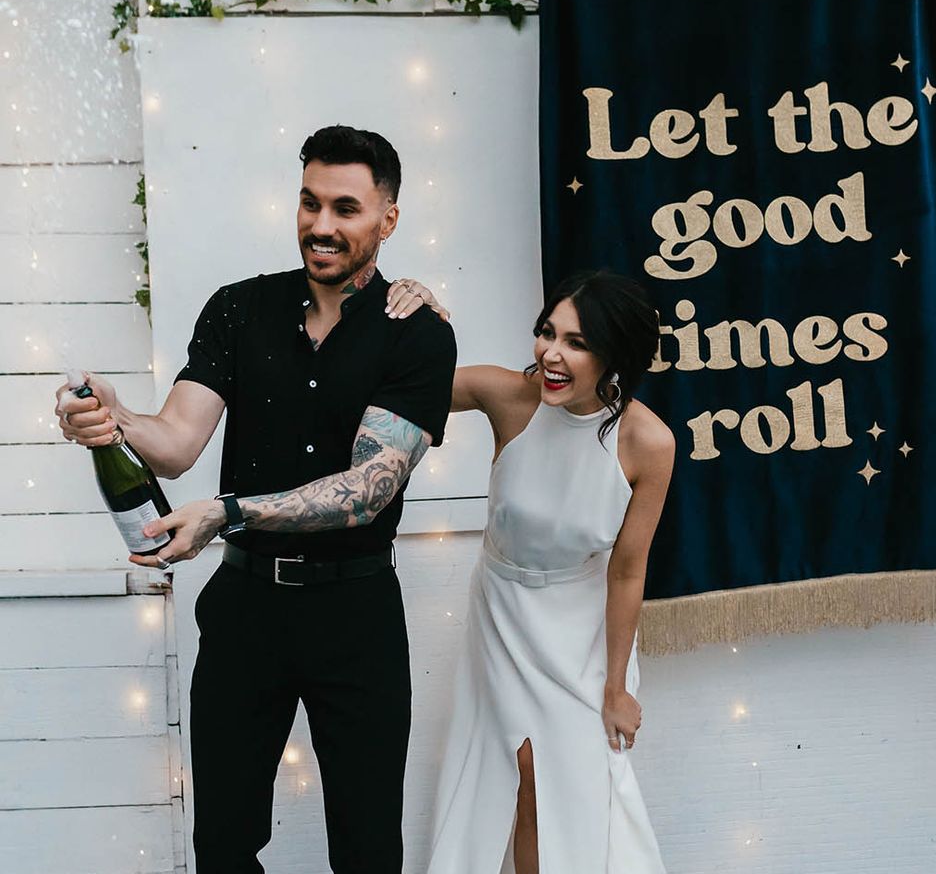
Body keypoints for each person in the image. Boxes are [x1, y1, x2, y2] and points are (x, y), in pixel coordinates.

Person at [55, 125, 457, 874]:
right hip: (246, 614)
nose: (322, 225)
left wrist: (227, 511)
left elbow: (365, 493)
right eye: (310, 203)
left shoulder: (419, 335)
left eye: (346, 207)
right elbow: (175, 440)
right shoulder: (239, 309)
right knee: (225, 847)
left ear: (387, 219)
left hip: (356, 618)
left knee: (369, 852)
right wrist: (114, 419)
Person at [399, 270, 674, 874]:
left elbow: (628, 572)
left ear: (616, 355)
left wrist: (616, 686)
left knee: (581, 779)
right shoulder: (508, 395)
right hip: (502, 612)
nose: (551, 353)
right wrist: (426, 320)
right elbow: (405, 384)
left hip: (582, 625)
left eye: (576, 342)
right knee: (522, 771)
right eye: (547, 332)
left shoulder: (648, 442)